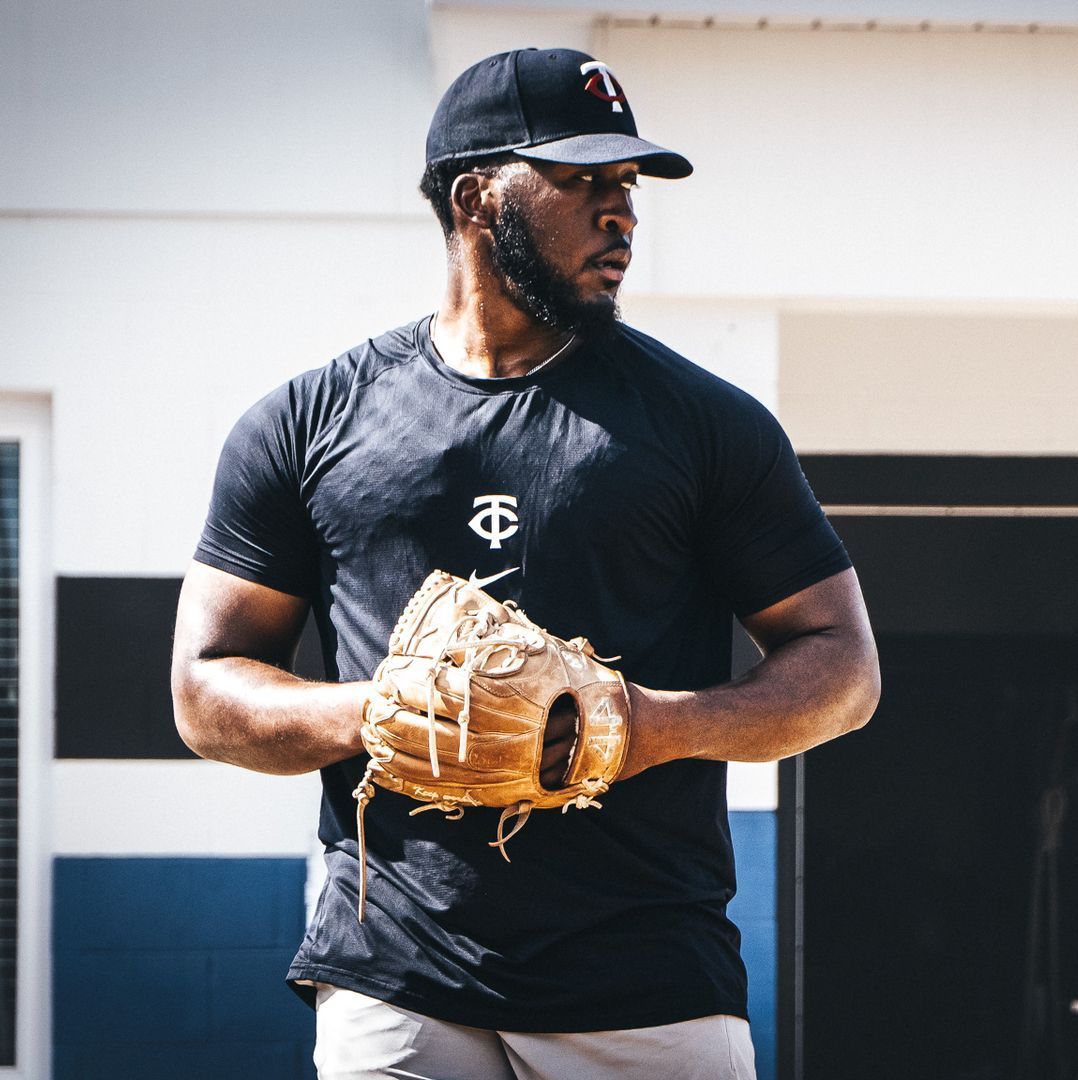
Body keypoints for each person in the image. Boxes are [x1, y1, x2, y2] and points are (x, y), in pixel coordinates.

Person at [170, 47, 879, 1079]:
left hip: (648, 985)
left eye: (628, 185)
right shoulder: (308, 423)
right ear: (476, 197)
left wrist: (651, 726)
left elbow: (844, 671)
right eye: (583, 180)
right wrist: (381, 711)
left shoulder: (705, 426)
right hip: (396, 980)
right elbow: (204, 692)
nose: (621, 214)